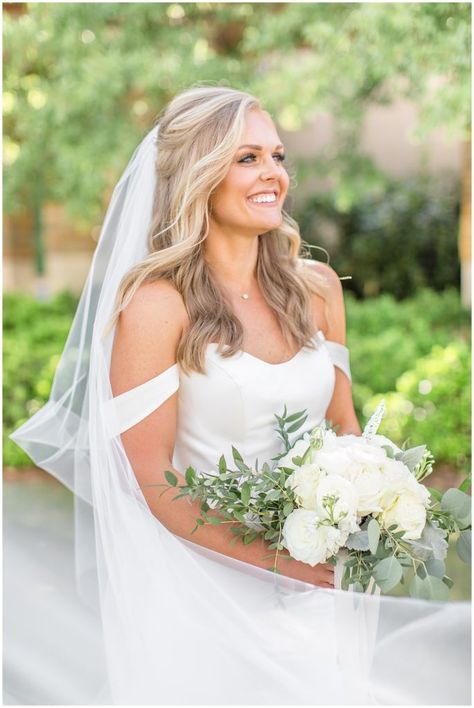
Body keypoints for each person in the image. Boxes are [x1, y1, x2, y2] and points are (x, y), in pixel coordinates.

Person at [10, 85, 470, 705]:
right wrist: (276, 561)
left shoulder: (316, 289)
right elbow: (147, 476)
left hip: (320, 591)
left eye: (277, 156)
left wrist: (373, 516)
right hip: (204, 596)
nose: (273, 174)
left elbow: (343, 426)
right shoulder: (156, 306)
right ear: (197, 175)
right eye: (247, 158)